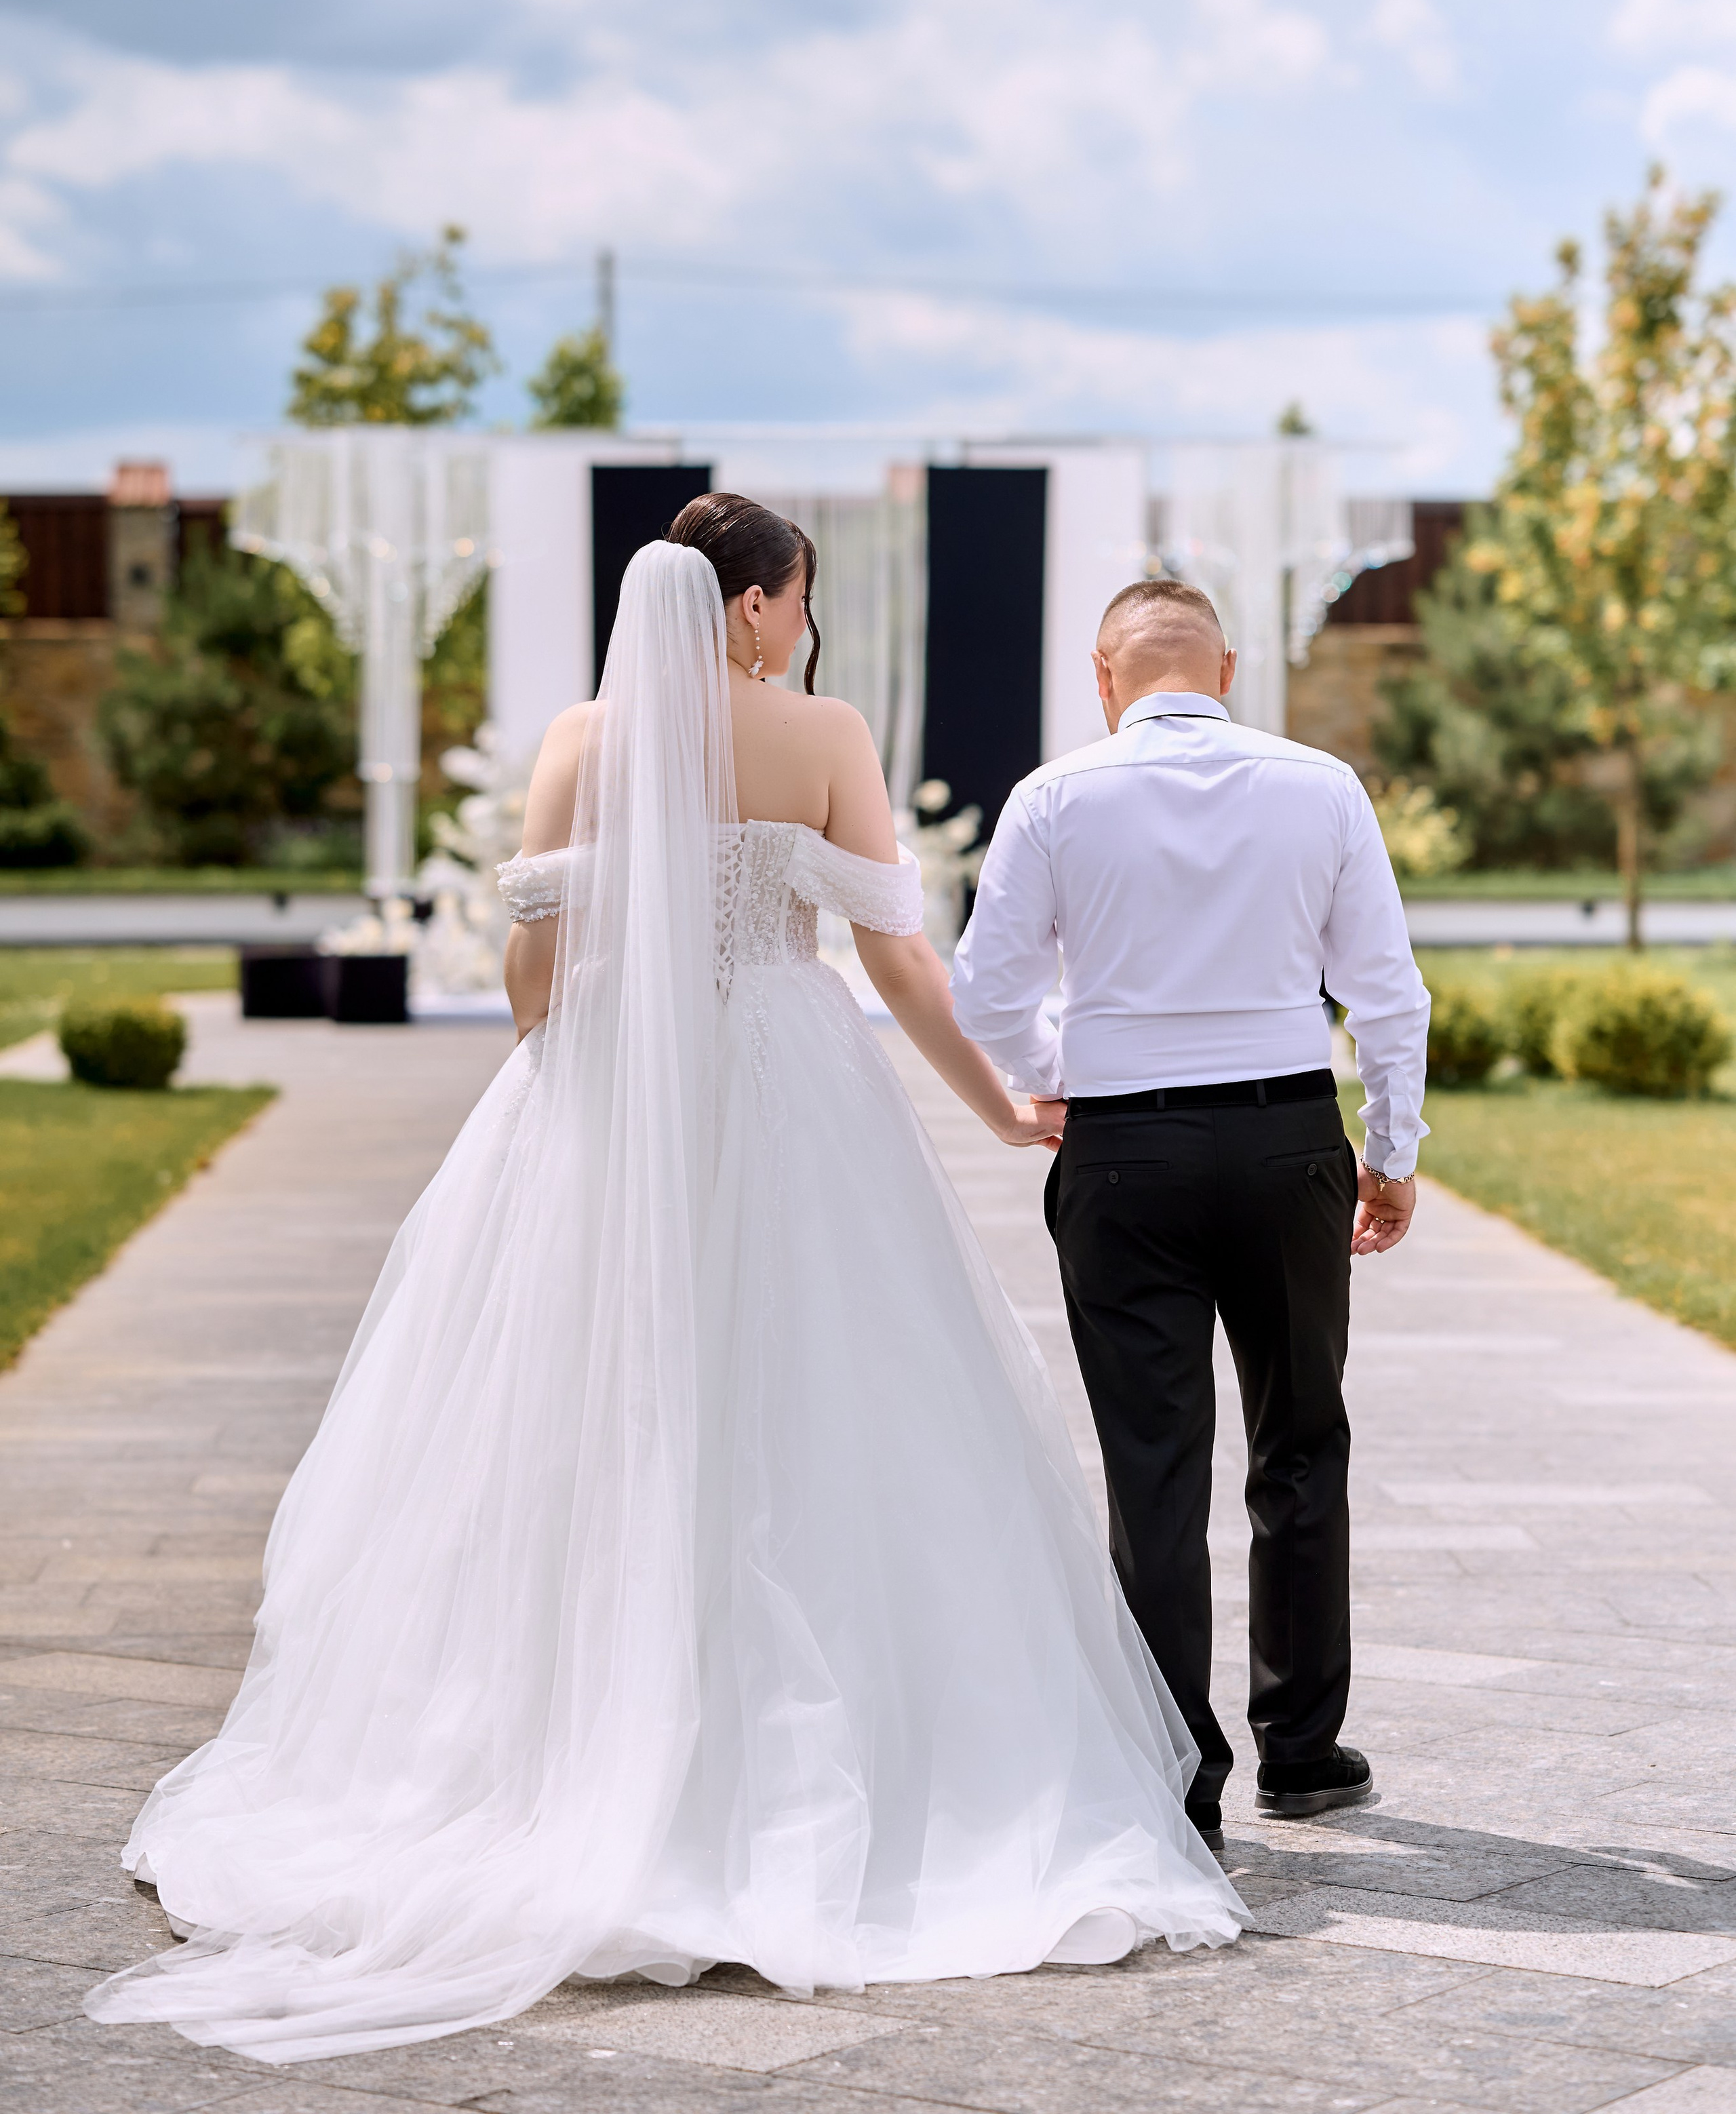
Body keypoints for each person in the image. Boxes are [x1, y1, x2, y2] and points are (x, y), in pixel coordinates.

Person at [86, 500, 1246, 2067]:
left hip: (605, 1092)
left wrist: (557, 1099)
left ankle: (548, 1758)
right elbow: (899, 955)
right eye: (798, 602)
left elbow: (533, 960)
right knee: (819, 1402)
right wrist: (996, 1103)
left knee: (578, 1407)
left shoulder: (580, 737)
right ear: (759, 606)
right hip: (786, 1076)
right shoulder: (822, 729)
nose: (803, 629)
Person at [951, 575, 1429, 1849]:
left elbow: (985, 994)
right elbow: (1387, 992)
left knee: (1153, 1470)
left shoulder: (1054, 798)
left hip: (1123, 1161)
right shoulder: (1321, 784)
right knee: (1301, 1444)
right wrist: (1392, 1153)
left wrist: (1070, 1068)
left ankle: (1179, 1775)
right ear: (1225, 670)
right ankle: (1308, 1753)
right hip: (1286, 1145)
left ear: (1104, 684)